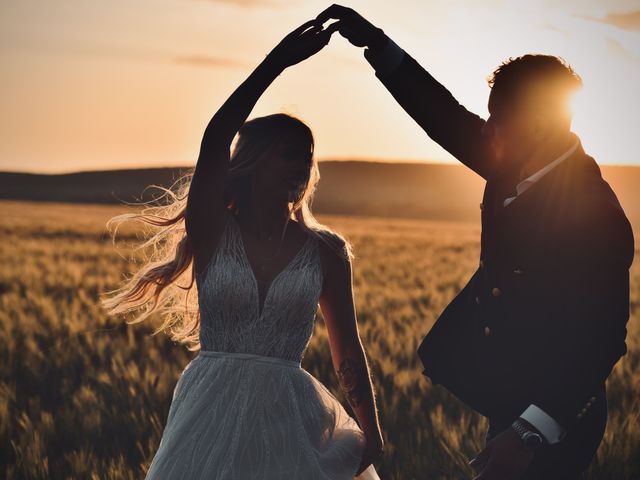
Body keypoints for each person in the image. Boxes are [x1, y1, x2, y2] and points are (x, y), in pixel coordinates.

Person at [314, 5, 635, 480]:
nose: (487, 129)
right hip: (512, 398)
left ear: (540, 125)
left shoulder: (596, 213)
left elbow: (602, 340)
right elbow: (442, 115)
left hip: (557, 416)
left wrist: (530, 430)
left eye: (498, 118)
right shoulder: (515, 159)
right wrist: (377, 44)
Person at [101, 20, 383, 479]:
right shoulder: (213, 229)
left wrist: (371, 429)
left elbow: (347, 347)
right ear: (252, 161)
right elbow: (215, 137)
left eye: (308, 156)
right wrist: (278, 62)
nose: (302, 165)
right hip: (209, 411)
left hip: (288, 419)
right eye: (289, 153)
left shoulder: (327, 252)